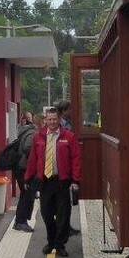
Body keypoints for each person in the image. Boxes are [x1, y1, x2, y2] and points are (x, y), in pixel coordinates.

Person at [23, 108, 82, 256]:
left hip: (62, 181)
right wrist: (28, 178)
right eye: (49, 119)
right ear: (46, 120)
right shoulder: (39, 137)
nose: (52, 122)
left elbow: (76, 159)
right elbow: (33, 159)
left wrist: (75, 180)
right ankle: (51, 241)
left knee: (63, 215)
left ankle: (59, 245)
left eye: (54, 119)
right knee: (46, 213)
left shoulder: (69, 137)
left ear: (59, 119)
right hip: (45, 181)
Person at [53, 100, 81, 236]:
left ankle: (66, 225)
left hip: (68, 165)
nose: (71, 112)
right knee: (62, 202)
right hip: (61, 166)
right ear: (63, 111)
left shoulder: (68, 122)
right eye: (69, 110)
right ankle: (62, 227)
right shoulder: (60, 125)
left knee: (67, 201)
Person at [11, 113, 38, 232]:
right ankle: (21, 222)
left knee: (25, 194)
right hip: (24, 167)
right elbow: (28, 148)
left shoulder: (26, 131)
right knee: (27, 195)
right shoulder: (33, 133)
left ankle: (20, 221)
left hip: (20, 167)